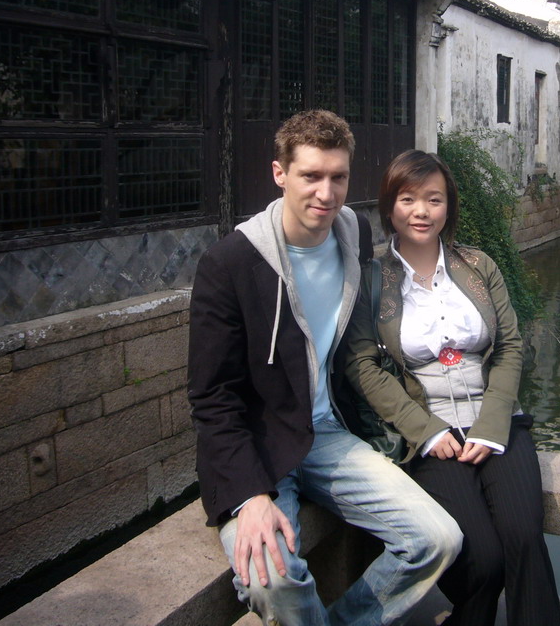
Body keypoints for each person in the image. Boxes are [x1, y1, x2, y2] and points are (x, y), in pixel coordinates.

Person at [187, 112, 462, 626]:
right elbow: (212, 397)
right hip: (259, 447)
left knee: (438, 539)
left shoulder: (352, 232)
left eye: (338, 177)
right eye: (311, 175)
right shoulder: (229, 264)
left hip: (328, 434)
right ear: (280, 174)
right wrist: (250, 497)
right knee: (273, 581)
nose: (326, 192)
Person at [345, 150, 560, 626]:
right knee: (480, 558)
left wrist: (492, 424)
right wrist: (425, 430)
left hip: (496, 421)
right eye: (407, 199)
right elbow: (363, 365)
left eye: (433, 199)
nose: (421, 211)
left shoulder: (479, 266)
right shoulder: (372, 280)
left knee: (524, 537)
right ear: (389, 208)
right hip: (430, 434)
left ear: (449, 207)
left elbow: (508, 346)